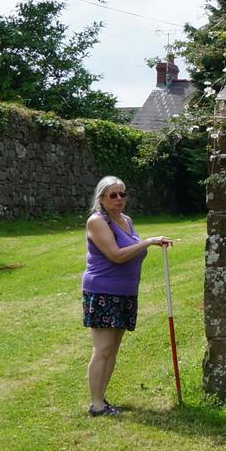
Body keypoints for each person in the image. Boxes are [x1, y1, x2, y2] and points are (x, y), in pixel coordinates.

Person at [81, 175, 171, 416]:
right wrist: (148, 242)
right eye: (113, 195)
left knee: (113, 348)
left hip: (125, 292)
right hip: (102, 291)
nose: (119, 199)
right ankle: (96, 405)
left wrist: (146, 245)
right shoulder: (97, 221)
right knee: (103, 348)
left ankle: (101, 399)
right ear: (101, 199)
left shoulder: (126, 221)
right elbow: (117, 255)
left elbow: (130, 253)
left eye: (123, 194)